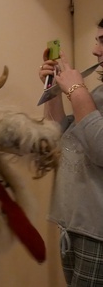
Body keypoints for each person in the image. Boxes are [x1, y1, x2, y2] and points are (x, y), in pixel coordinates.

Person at [40, 19, 103, 286]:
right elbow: (59, 136)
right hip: (75, 225)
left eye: (102, 41)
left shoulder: (89, 93)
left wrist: (77, 89)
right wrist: (52, 87)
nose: (95, 50)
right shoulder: (98, 93)